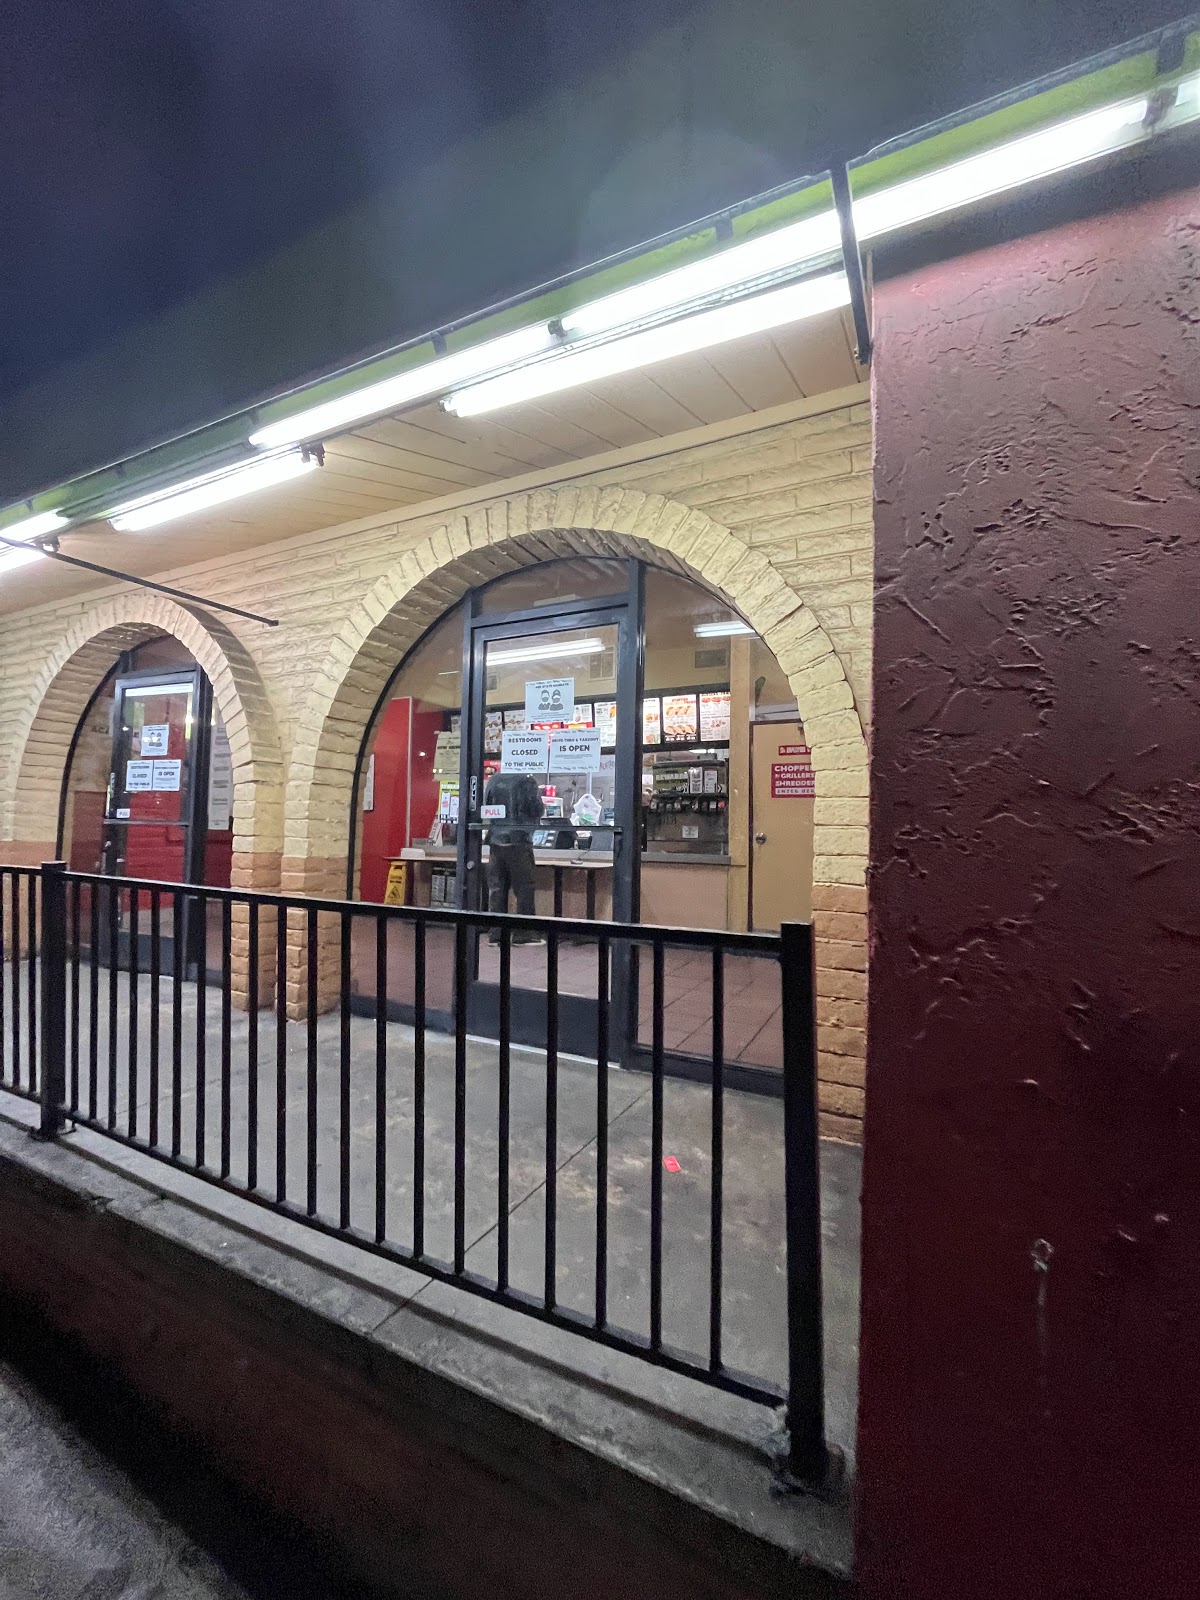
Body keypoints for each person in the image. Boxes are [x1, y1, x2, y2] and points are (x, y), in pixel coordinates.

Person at [483, 767, 545, 943]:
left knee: (497, 889)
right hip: (518, 840)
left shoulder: (493, 780)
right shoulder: (527, 780)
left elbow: (486, 806)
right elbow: (536, 809)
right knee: (524, 888)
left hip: (495, 840)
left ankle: (496, 934)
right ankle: (524, 934)